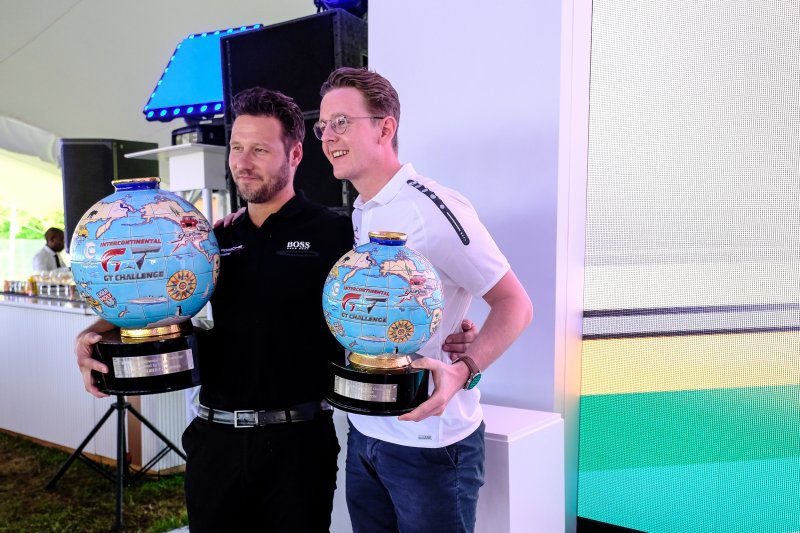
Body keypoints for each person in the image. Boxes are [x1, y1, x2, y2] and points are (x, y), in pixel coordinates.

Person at [75, 87, 477, 532]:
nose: (244, 162)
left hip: (298, 447)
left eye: (260, 150)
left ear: (295, 154)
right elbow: (158, 296)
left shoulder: (339, 233)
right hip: (213, 442)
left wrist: (454, 330)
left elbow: (395, 290)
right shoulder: (211, 240)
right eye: (237, 148)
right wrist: (94, 331)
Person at [315, 67, 534, 533]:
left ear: (385, 128)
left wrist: (465, 369)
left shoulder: (434, 208)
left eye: (341, 122)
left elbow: (515, 304)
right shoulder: (363, 210)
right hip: (365, 433)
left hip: (429, 446)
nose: (328, 136)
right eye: (323, 126)